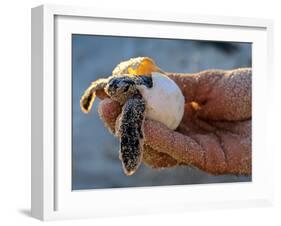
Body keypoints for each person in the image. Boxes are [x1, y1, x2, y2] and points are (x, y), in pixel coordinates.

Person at [97, 68, 251, 175]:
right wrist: (95, 91)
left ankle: (130, 158)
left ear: (129, 89)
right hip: (171, 106)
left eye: (118, 92)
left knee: (129, 123)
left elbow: (130, 121)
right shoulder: (127, 83)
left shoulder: (136, 101)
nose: (112, 94)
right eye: (111, 90)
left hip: (169, 110)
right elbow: (108, 85)